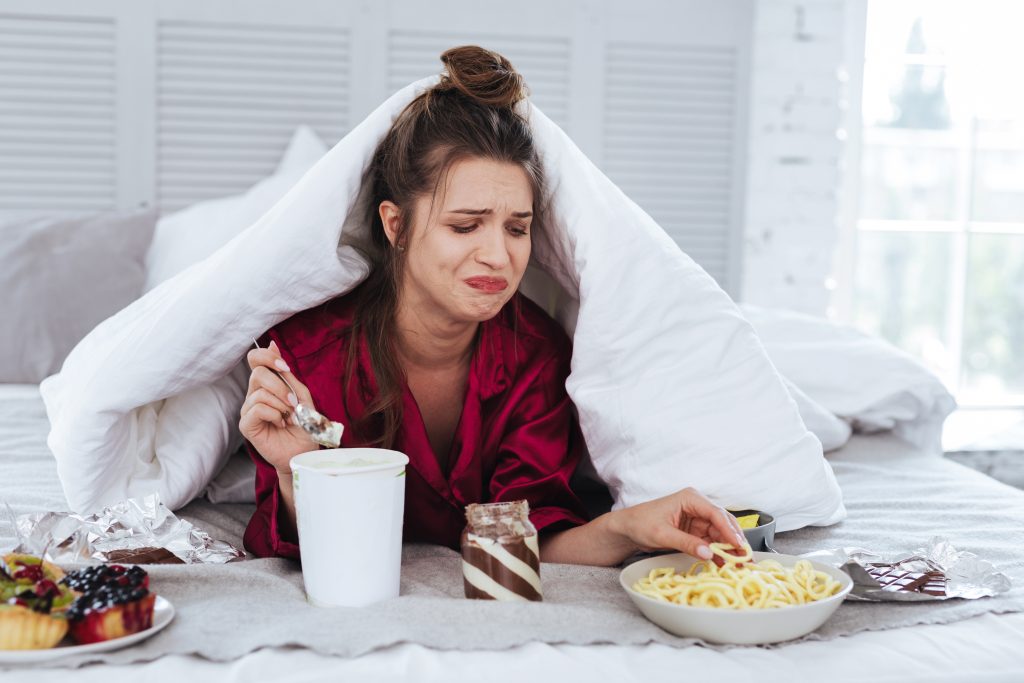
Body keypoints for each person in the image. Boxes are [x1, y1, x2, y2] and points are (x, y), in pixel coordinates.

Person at [240, 45, 746, 566]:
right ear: (396, 225)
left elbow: (530, 540)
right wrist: (294, 470)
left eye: (517, 228)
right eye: (464, 226)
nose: (498, 257)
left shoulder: (538, 357)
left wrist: (629, 526)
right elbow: (295, 547)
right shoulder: (306, 360)